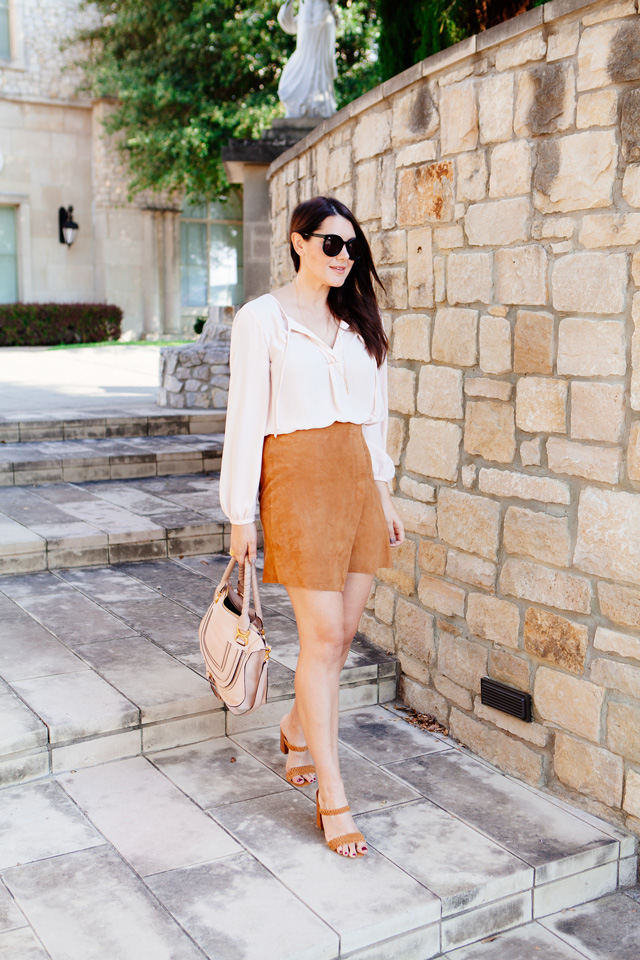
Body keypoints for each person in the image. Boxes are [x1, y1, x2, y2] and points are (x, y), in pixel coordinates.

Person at [219, 195, 405, 859]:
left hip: (355, 477)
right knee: (322, 634)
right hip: (295, 479)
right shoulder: (261, 320)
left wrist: (382, 490)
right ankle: (333, 795)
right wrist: (241, 512)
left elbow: (375, 413)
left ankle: (299, 727)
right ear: (298, 241)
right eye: (331, 244)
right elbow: (245, 418)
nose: (344, 257)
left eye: (352, 247)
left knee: (344, 632)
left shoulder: (358, 321)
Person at [277, 0, 340, 118]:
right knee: (303, 57)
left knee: (319, 62)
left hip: (322, 15)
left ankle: (321, 106)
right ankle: (303, 106)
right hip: (307, 15)